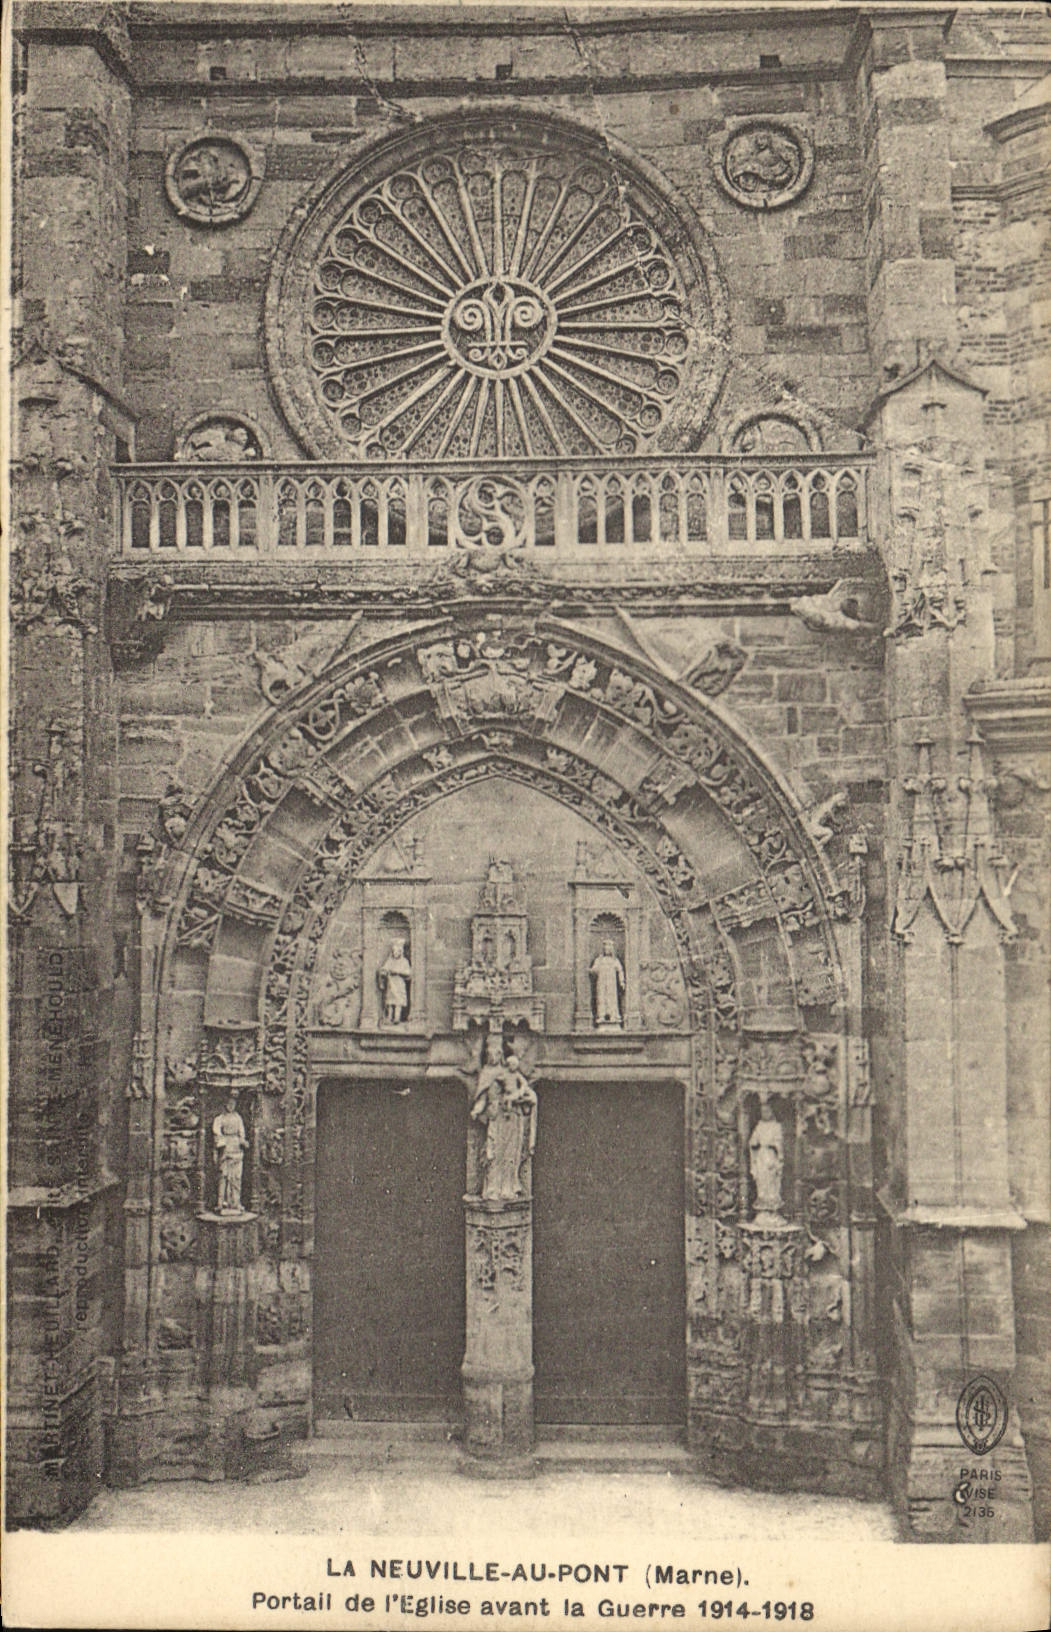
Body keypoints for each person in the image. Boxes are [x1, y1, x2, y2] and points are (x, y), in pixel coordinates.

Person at [470, 1038, 537, 1201]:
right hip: (496, 1119)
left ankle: (509, 1187)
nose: (492, 1057)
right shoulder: (487, 1074)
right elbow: (483, 1098)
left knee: (511, 1154)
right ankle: (492, 1189)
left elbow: (528, 1093)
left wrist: (522, 1097)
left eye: (495, 1053)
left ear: (500, 1055)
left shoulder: (512, 1074)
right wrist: (476, 1110)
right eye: (489, 1054)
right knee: (493, 1155)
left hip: (512, 1118)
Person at [748, 1099, 785, 1222]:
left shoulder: (776, 1126)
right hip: (761, 1157)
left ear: (772, 1112)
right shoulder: (759, 1126)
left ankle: (773, 1212)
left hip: (771, 1155)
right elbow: (753, 1140)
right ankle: (763, 1211)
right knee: (762, 1183)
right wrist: (754, 1143)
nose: (765, 1114)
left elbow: (779, 1142)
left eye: (767, 1111)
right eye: (762, 1112)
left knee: (772, 1184)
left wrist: (776, 1150)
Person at [213, 1095, 248, 1214]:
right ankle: (221, 1202)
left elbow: (242, 1132)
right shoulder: (220, 1118)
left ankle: (236, 1202)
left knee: (236, 1177)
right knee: (224, 1175)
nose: (231, 1107)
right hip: (225, 1147)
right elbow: (216, 1131)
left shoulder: (238, 1118)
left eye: (233, 1104)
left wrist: (243, 1141)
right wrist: (221, 1140)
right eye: (229, 1104)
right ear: (225, 1105)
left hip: (236, 1147)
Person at [590, 937, 626, 1028]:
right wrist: (592, 970)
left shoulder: (614, 960)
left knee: (611, 998)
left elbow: (620, 970)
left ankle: (613, 1015)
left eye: (609, 948)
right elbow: (595, 969)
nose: (607, 950)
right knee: (601, 998)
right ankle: (601, 1015)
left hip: (611, 982)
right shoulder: (599, 960)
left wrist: (622, 981)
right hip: (601, 982)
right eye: (606, 948)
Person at [378, 937, 412, 1024]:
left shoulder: (404, 961)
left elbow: (408, 973)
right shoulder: (390, 961)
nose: (395, 953)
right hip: (391, 983)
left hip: (399, 983)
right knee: (390, 1001)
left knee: (398, 1001)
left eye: (397, 952)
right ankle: (389, 1017)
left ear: (400, 952)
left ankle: (397, 1017)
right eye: (394, 952)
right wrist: (383, 972)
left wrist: (398, 972)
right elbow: (384, 968)